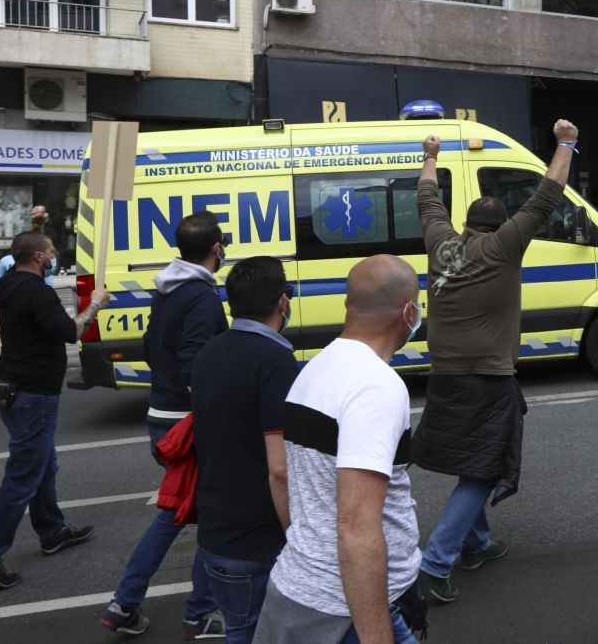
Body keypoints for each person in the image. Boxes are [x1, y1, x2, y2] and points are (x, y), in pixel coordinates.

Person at [411, 119, 578, 603]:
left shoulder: (440, 240)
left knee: (473, 461)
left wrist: (430, 154)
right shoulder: (506, 246)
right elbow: (548, 193)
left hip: (444, 375)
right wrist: (565, 142)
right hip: (488, 379)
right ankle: (435, 564)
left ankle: (477, 543)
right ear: (500, 224)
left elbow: (427, 197)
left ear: (465, 223)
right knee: (483, 470)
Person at [254, 254, 424, 644]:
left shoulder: (314, 368)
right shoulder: (376, 386)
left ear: (348, 304)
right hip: (347, 612)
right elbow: (357, 528)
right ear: (408, 311)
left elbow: (282, 476)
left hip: (301, 586)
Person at [101, 211, 228, 638]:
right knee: (207, 515)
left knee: (181, 509)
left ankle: (126, 604)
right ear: (216, 248)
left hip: (162, 413)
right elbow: (196, 361)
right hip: (187, 421)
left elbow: (150, 346)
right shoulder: (203, 297)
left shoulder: (167, 290)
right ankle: (200, 614)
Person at [0, 231, 110, 589]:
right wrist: (95, 304)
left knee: (43, 465)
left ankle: (51, 531)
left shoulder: (6, 286)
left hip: (15, 389)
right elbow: (70, 331)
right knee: (22, 478)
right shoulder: (37, 292)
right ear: (37, 256)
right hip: (33, 396)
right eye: (50, 251)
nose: (53, 255)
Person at [190, 256, 300, 643]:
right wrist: (296, 536)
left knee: (240, 629)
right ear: (281, 302)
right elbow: (280, 469)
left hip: (216, 533)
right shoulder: (275, 362)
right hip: (257, 541)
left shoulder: (209, 354)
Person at [0, 205, 54, 319]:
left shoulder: (41, 261)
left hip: (36, 305)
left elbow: (49, 280)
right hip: (12, 308)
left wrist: (39, 225)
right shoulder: (6, 261)